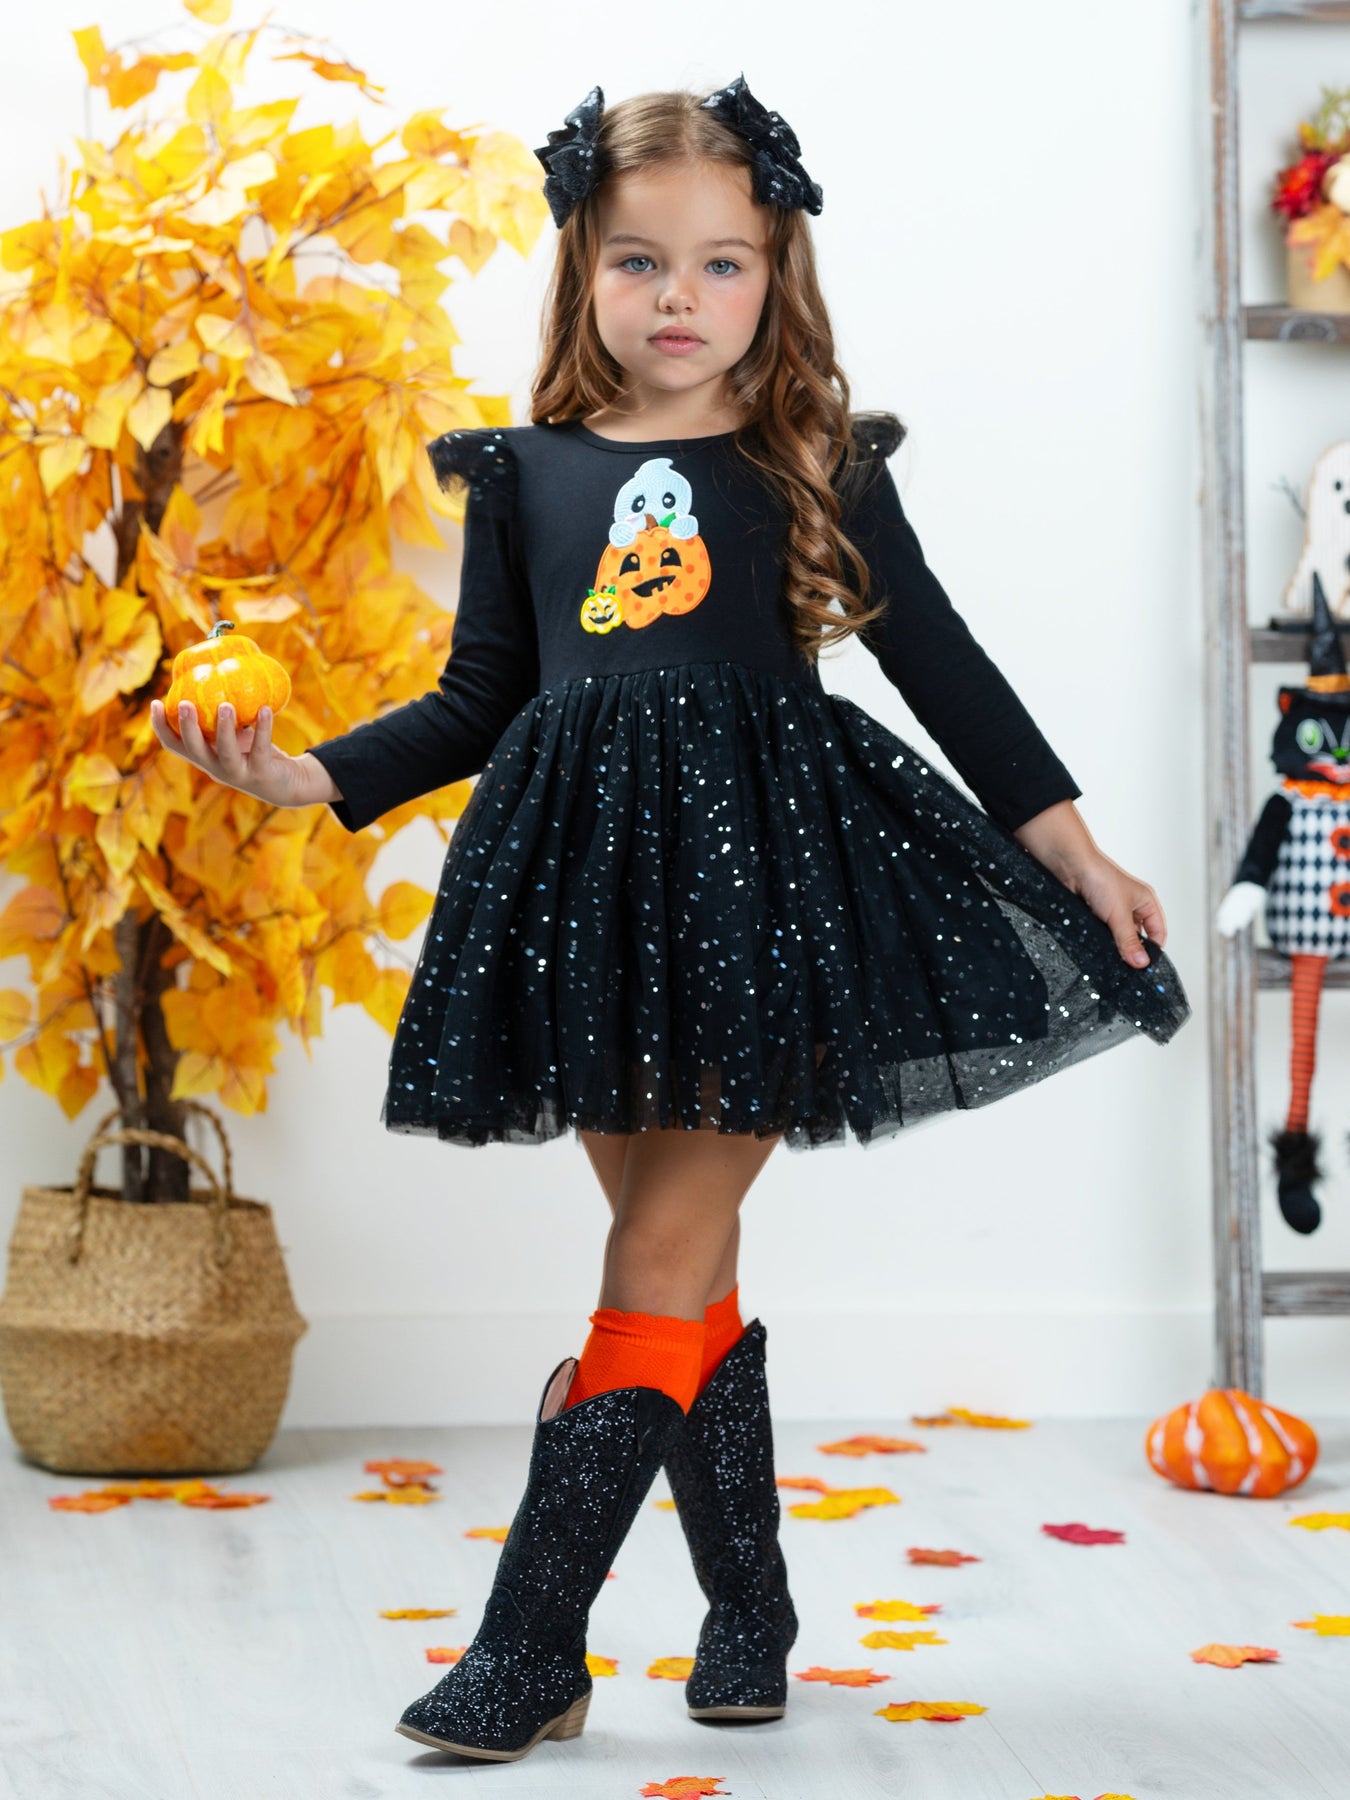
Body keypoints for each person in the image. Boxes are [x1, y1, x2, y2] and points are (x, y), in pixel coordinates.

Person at [150, 74, 1191, 1763]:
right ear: (583, 270)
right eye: (639, 262)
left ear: (776, 273)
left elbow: (943, 666)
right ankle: (749, 1612)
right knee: (683, 1270)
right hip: (586, 905)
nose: (680, 298)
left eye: (722, 263)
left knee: (648, 1257)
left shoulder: (813, 460)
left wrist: (1072, 850)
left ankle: (527, 1649)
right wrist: (304, 776)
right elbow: (481, 697)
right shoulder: (527, 473)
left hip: (765, 895)